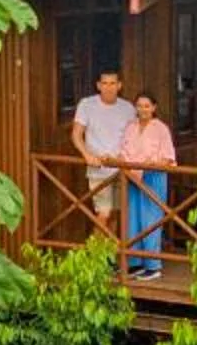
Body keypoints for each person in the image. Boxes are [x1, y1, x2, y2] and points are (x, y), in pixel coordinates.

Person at [118, 91, 177, 277]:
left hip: (153, 177)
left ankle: (153, 266)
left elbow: (168, 158)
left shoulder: (161, 129)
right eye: (139, 105)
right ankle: (135, 262)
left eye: (146, 106)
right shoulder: (130, 127)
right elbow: (123, 150)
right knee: (132, 220)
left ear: (153, 108)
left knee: (151, 220)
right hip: (132, 176)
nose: (142, 109)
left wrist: (152, 165)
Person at [70, 70, 135, 232]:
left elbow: (133, 138)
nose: (108, 87)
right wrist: (87, 155)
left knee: (115, 213)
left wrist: (124, 156)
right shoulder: (87, 105)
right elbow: (76, 135)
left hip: (121, 169)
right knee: (103, 213)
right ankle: (93, 255)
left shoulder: (128, 108)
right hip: (98, 169)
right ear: (98, 85)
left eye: (113, 83)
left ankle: (109, 254)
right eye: (105, 83)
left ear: (120, 85)